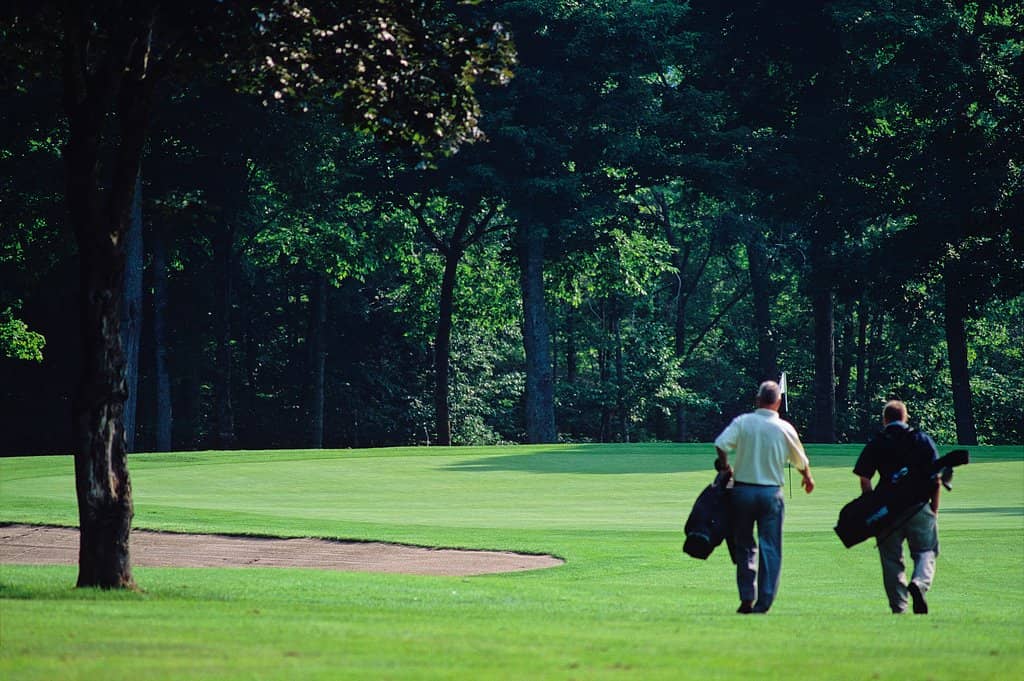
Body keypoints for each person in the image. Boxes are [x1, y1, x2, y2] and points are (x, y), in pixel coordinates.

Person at [714, 380, 814, 614]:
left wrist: (725, 466)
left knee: (744, 545)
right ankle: (764, 602)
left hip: (742, 492)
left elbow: (721, 444)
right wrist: (808, 478)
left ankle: (747, 597)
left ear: (758, 400)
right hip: (770, 493)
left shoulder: (743, 422)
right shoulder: (784, 428)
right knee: (770, 547)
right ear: (778, 402)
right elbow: (800, 461)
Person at [854, 400, 940, 614]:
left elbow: (865, 478)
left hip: (887, 508)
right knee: (926, 551)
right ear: (905, 417)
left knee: (891, 559)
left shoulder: (878, 442)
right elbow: (936, 479)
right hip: (918, 505)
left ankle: (899, 607)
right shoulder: (921, 439)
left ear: (885, 420)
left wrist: (871, 503)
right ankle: (920, 583)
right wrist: (934, 509)